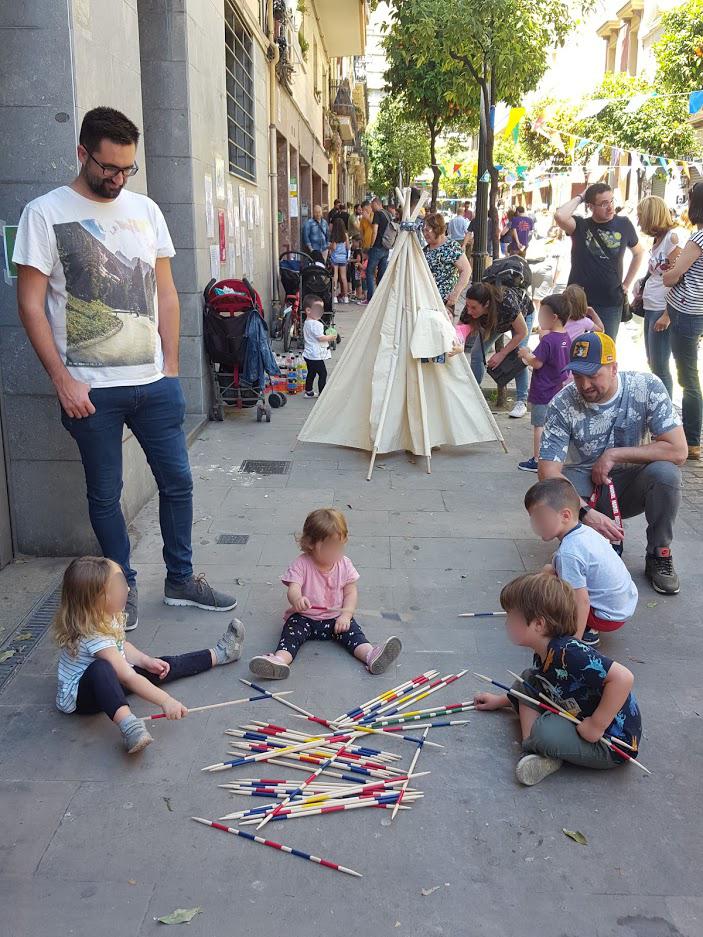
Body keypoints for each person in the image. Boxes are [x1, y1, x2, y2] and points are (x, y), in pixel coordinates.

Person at [13, 106, 236, 632]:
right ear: (82, 153)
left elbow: (166, 292)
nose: (117, 179)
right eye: (107, 169)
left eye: (126, 170)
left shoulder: (146, 210)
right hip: (90, 392)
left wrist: (173, 369)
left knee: (178, 483)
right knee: (104, 495)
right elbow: (29, 305)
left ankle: (181, 579)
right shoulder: (43, 214)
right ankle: (123, 586)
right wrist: (62, 381)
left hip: (153, 384)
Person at [538, 330, 687, 595]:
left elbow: (678, 451)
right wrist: (584, 512)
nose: (584, 385)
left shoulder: (646, 387)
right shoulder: (562, 403)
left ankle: (659, 553)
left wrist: (614, 454)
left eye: (593, 375)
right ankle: (583, 545)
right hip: (584, 489)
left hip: (631, 483)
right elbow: (548, 472)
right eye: (577, 375)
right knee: (556, 497)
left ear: (614, 368)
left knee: (666, 473)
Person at [53, 555, 245, 754]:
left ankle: (220, 654)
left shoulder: (106, 613)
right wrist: (166, 701)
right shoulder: (93, 635)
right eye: (118, 586)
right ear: (98, 599)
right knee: (102, 670)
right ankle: (129, 726)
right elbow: (127, 677)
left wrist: (145, 660)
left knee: (162, 666)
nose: (127, 589)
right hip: (83, 697)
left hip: (114, 674)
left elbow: (121, 645)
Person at [473, 572, 641, 786]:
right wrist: (501, 701)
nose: (506, 622)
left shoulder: (570, 652)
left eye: (512, 617)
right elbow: (543, 687)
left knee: (544, 731)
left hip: (610, 742)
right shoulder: (545, 650)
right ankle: (534, 747)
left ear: (539, 625)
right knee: (528, 680)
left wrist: (596, 725)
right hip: (577, 713)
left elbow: (624, 678)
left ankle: (540, 746)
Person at [248, 509, 402, 679]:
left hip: (336, 619)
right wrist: (297, 599)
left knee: (354, 634)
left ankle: (370, 655)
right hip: (305, 618)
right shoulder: (301, 563)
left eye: (339, 546)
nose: (335, 552)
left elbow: (351, 592)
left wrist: (346, 615)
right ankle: (279, 661)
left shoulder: (344, 564)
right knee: (291, 635)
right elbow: (293, 588)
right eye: (329, 547)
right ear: (311, 543)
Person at [524, 478, 638, 646]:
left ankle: (586, 631)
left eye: (541, 518)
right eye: (533, 518)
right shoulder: (585, 532)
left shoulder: (569, 554)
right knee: (549, 570)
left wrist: (573, 642)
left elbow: (581, 601)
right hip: (622, 605)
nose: (536, 525)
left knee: (552, 589)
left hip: (605, 616)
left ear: (565, 515)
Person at [554, 182, 645, 339]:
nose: (610, 207)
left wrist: (626, 284)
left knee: (604, 349)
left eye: (611, 201)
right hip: (577, 301)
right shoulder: (580, 225)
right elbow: (560, 216)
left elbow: (639, 253)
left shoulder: (624, 224)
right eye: (603, 204)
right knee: (570, 348)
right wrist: (582, 196)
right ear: (590, 206)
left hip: (609, 301)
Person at [663, 182, 703, 460]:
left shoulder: (697, 239)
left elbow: (671, 276)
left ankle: (692, 440)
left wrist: (670, 272)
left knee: (688, 378)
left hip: (688, 311)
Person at [517, 294, 570, 473]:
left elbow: (537, 362)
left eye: (542, 315)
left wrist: (525, 353)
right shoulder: (565, 338)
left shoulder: (548, 340)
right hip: (557, 388)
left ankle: (538, 459)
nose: (539, 319)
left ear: (553, 317)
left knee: (539, 426)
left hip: (543, 388)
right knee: (554, 425)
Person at [636, 196, 681, 400]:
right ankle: (658, 409)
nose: (638, 221)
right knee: (653, 362)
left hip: (663, 308)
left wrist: (667, 314)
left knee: (660, 366)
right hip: (651, 305)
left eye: (640, 216)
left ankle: (665, 414)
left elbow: (680, 278)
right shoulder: (658, 240)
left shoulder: (673, 238)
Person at [460, 282, 529, 395]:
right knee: (476, 353)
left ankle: (521, 400)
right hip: (497, 323)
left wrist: (502, 354)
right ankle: (474, 393)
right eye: (467, 306)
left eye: (473, 307)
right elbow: (459, 331)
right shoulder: (471, 305)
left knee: (520, 356)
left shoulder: (506, 304)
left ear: (486, 304)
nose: (469, 311)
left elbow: (522, 332)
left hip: (521, 317)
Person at [423, 212, 471, 311]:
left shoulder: (451, 247)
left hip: (444, 302)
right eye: (424, 230)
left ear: (437, 229)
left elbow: (466, 270)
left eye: (428, 230)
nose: (425, 234)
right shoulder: (426, 249)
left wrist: (455, 294)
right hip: (426, 300)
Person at [302, 294, 335, 397]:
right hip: (316, 355)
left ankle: (309, 391)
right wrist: (331, 337)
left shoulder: (307, 322)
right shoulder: (316, 324)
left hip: (308, 354)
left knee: (311, 373)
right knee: (323, 373)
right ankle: (322, 394)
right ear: (308, 310)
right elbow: (320, 338)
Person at [366, 196, 392, 302]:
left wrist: (372, 244)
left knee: (370, 272)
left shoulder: (378, 214)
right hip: (386, 247)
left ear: (376, 204)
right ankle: (381, 298)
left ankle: (371, 298)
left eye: (372, 206)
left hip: (377, 247)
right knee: (381, 273)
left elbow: (375, 230)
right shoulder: (388, 214)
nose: (371, 209)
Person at [329, 217, 351, 304]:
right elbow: (348, 247)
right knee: (343, 277)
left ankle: (334, 297)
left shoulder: (334, 235)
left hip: (335, 258)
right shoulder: (345, 235)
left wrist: (329, 247)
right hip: (343, 258)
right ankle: (346, 297)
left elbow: (333, 247)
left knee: (335, 277)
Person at [349, 235, 365, 302]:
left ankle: (359, 295)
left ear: (358, 242)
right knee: (357, 282)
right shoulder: (360, 250)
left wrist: (350, 260)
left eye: (353, 242)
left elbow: (358, 259)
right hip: (357, 269)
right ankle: (358, 295)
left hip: (356, 269)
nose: (352, 244)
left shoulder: (357, 251)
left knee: (358, 282)